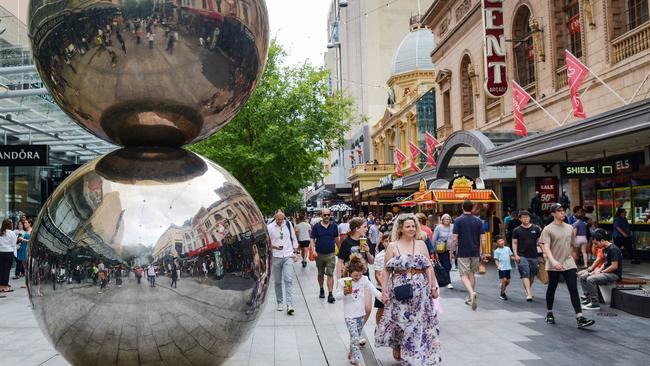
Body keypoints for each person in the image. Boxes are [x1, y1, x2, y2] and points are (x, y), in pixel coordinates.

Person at [375, 214, 440, 364]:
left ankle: (413, 354)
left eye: (413, 226)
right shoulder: (393, 246)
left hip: (421, 290)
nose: (411, 229)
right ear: (401, 229)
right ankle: (398, 345)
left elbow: (429, 267)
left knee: (418, 322)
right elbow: (386, 270)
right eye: (407, 226)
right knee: (401, 321)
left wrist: (433, 287)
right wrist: (384, 291)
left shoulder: (421, 244)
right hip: (400, 289)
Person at [540, 203, 595, 329]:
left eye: (563, 210)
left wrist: (573, 256)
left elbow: (572, 244)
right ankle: (549, 313)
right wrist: (553, 261)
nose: (562, 213)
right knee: (552, 287)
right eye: (559, 211)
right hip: (554, 263)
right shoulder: (548, 229)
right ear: (553, 214)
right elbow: (546, 247)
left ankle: (580, 317)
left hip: (568, 262)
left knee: (573, 289)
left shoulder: (570, 227)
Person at [336, 254, 382, 366]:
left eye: (360, 275)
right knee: (355, 337)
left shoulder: (364, 280)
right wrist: (344, 293)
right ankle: (356, 359)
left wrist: (384, 298)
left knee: (355, 336)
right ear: (350, 273)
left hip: (361, 314)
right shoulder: (343, 282)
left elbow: (374, 291)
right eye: (355, 275)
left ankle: (351, 352)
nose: (358, 278)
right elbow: (337, 296)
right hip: (349, 315)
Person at [337, 217, 375, 337]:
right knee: (353, 309)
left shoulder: (366, 240)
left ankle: (358, 331)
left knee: (368, 308)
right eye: (364, 226)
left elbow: (372, 261)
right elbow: (340, 261)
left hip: (364, 277)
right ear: (356, 228)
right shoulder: (346, 242)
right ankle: (356, 333)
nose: (366, 228)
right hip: (350, 279)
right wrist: (339, 280)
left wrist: (368, 251)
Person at [450, 200, 486, 310]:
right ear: (472, 208)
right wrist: (483, 253)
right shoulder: (478, 220)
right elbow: (483, 239)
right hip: (475, 252)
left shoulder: (458, 220)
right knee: (472, 274)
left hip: (463, 252)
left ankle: (471, 292)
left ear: (462, 207)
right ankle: (470, 298)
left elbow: (454, 239)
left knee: (463, 275)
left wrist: (451, 252)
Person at [579, 229, 622, 310]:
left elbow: (614, 266)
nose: (595, 246)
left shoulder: (613, 249)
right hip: (606, 272)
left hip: (614, 274)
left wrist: (600, 272)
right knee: (583, 277)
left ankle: (595, 304)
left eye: (596, 243)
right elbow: (605, 264)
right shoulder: (605, 248)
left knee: (590, 279)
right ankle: (589, 299)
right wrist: (596, 271)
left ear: (602, 240)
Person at [268, 210, 298, 315]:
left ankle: (289, 304)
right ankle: (279, 302)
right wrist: (274, 246)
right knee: (277, 281)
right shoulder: (270, 227)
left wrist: (295, 252)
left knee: (288, 280)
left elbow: (294, 239)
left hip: (288, 256)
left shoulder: (288, 224)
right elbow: (267, 242)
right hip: (276, 257)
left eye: (282, 219)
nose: (280, 221)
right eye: (278, 219)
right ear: (275, 217)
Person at [311, 208, 339, 303]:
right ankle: (321, 288)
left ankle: (330, 294)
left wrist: (340, 249)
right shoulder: (316, 226)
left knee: (330, 274)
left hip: (331, 254)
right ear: (321, 216)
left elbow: (336, 238)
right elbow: (312, 239)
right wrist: (313, 250)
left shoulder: (334, 226)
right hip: (319, 254)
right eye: (324, 215)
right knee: (320, 274)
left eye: (328, 215)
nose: (327, 216)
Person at [512, 210, 542, 301]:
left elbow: (540, 242)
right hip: (522, 256)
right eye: (523, 217)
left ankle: (527, 288)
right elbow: (514, 243)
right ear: (520, 219)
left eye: (527, 217)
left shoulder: (536, 229)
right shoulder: (517, 230)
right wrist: (516, 254)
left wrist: (544, 252)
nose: (525, 219)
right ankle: (529, 293)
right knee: (525, 274)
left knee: (532, 275)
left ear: (530, 218)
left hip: (533, 255)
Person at [432, 213, 454, 289]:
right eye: (446, 219)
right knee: (446, 265)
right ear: (442, 220)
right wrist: (434, 252)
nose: (447, 220)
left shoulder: (453, 227)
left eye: (449, 219)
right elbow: (434, 239)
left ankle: (443, 278)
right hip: (442, 249)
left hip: (451, 249)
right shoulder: (438, 228)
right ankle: (448, 282)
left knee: (450, 265)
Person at [373, 234, 389, 325]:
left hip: (393, 286)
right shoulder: (379, 256)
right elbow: (377, 274)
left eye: (390, 240)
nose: (389, 243)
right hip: (381, 286)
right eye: (386, 241)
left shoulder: (396, 253)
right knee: (381, 308)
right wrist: (384, 286)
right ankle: (378, 327)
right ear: (382, 242)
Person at [493, 236, 513, 300]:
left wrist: (516, 259)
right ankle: (502, 293)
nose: (501, 242)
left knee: (508, 281)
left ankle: (502, 286)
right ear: (496, 243)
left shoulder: (507, 248)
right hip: (501, 268)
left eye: (502, 240)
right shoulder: (496, 251)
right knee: (504, 280)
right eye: (499, 241)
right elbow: (496, 259)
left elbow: (511, 256)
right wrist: (498, 265)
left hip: (508, 267)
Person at [0, 219, 17, 293]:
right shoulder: (11, 233)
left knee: (1, 269)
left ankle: (1, 286)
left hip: (1, 252)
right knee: (7, 270)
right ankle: (5, 287)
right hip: (9, 252)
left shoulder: (1, 232)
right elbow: (14, 244)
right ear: (10, 225)